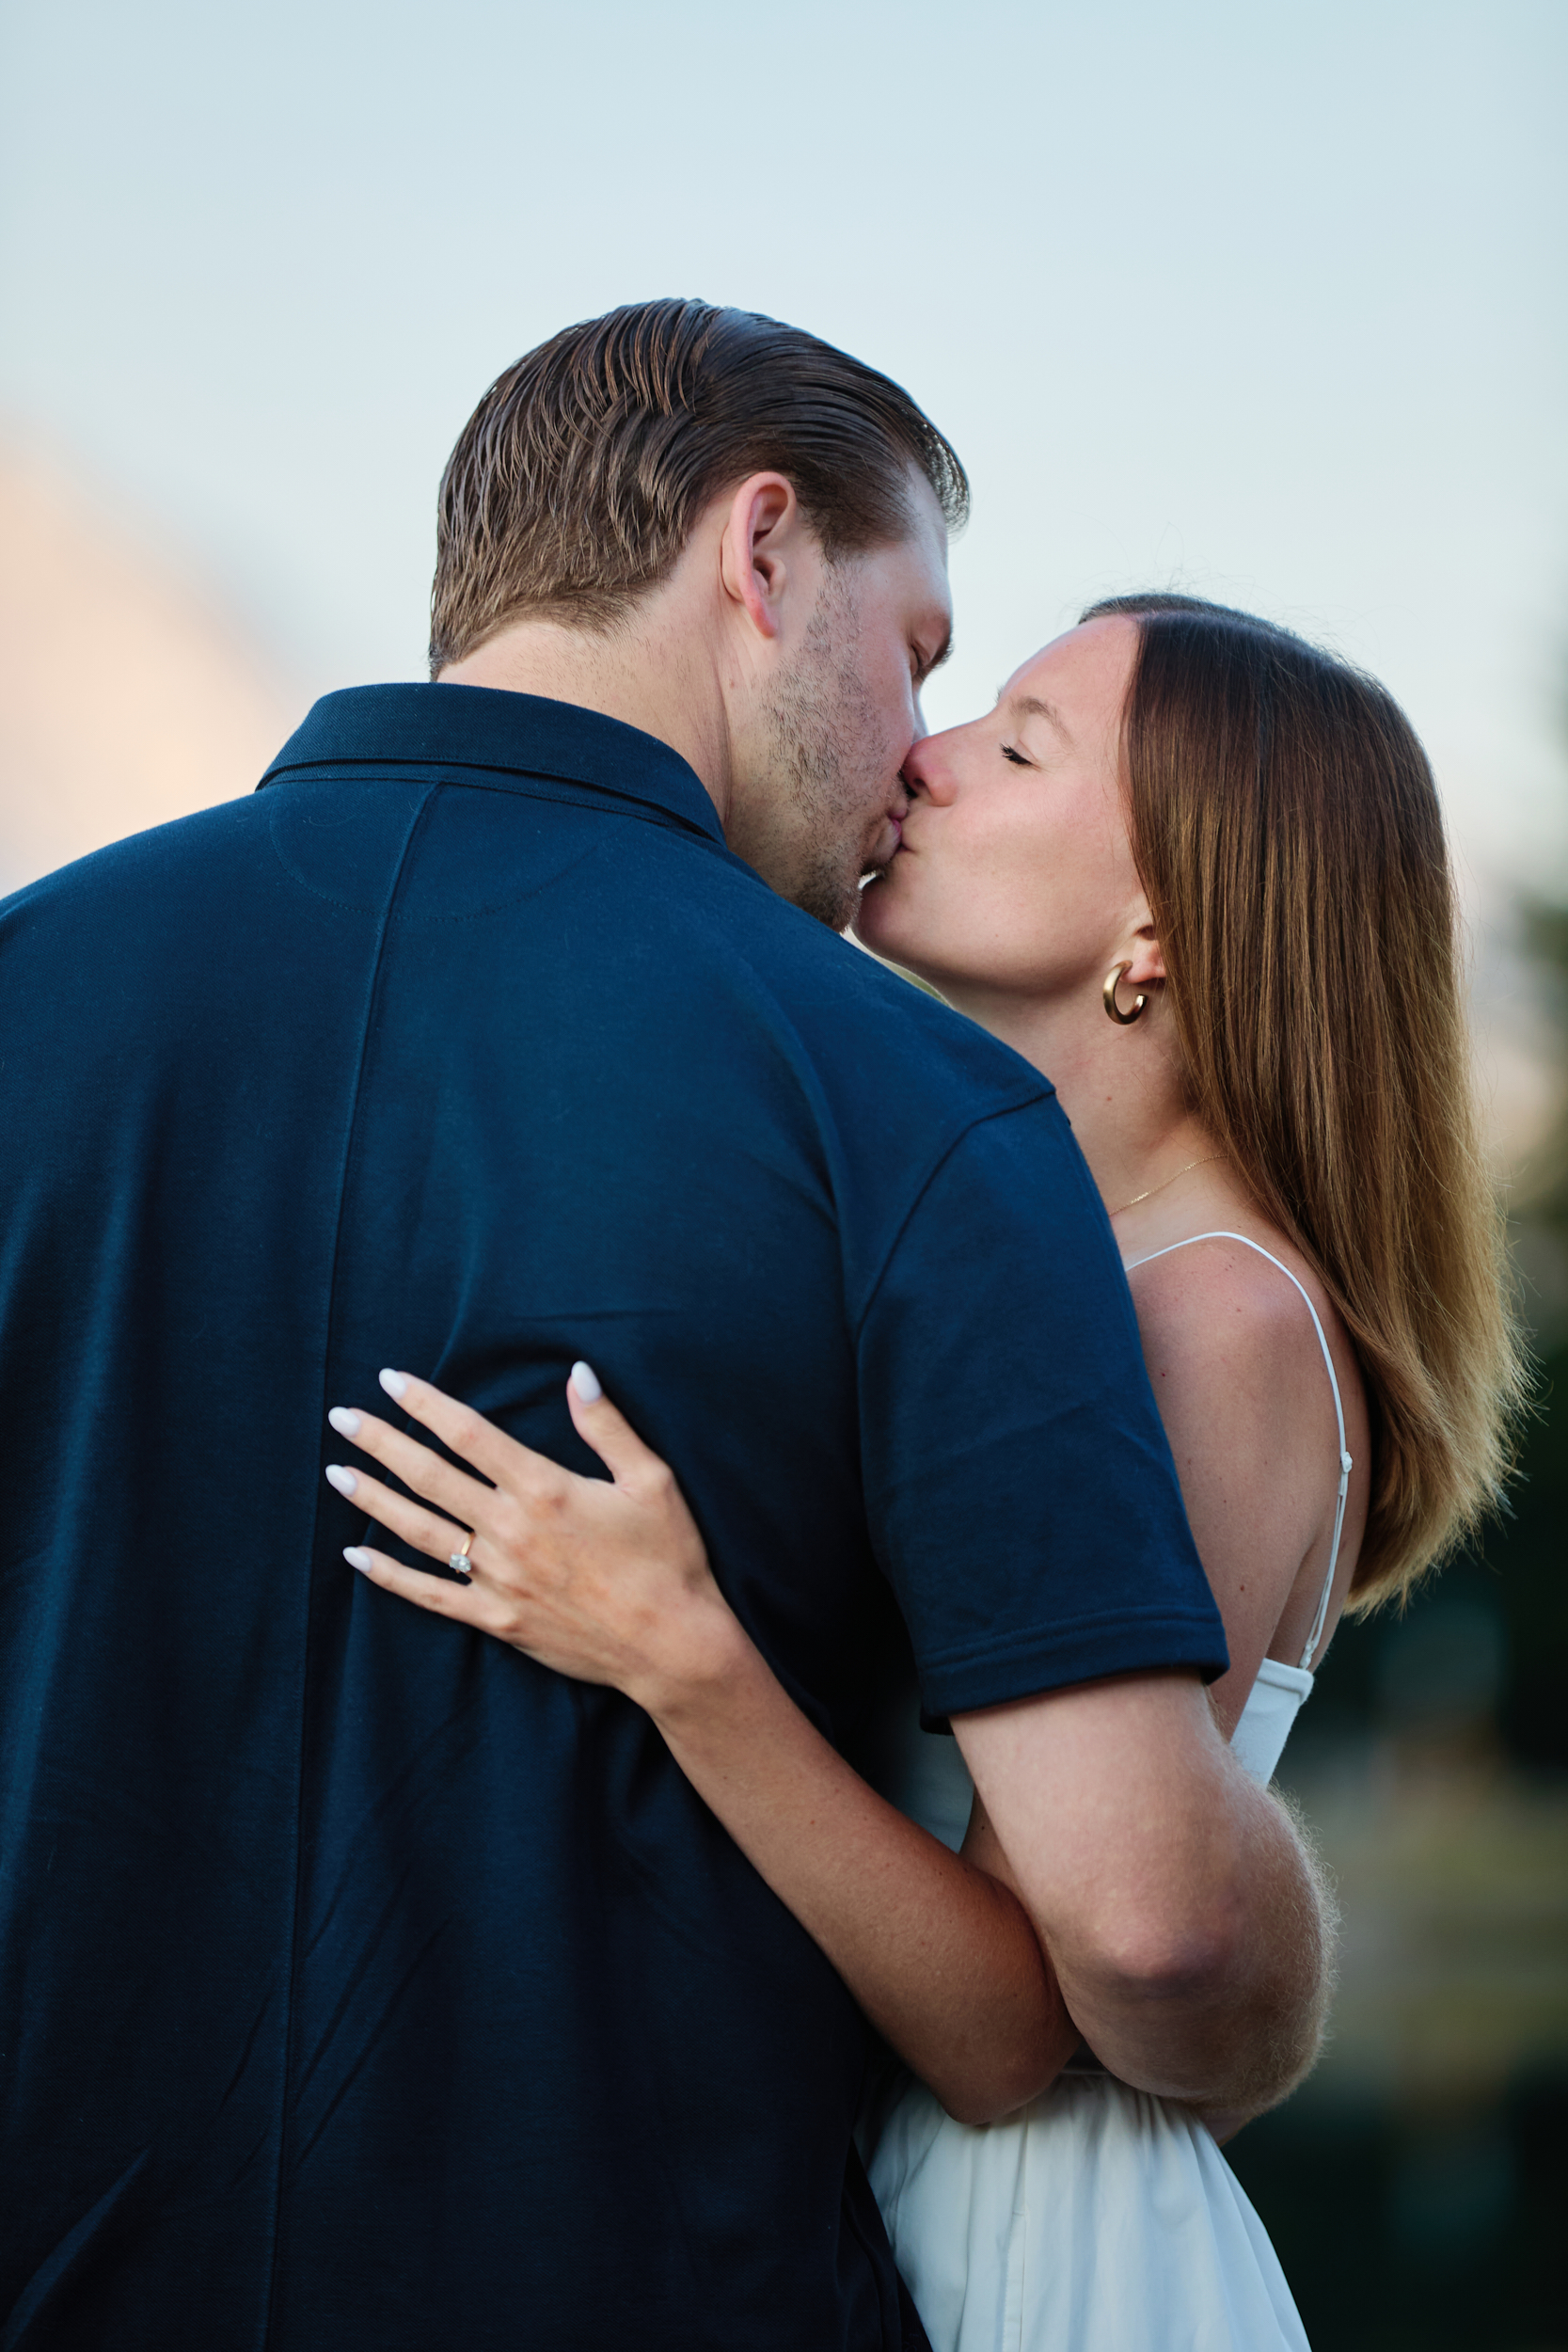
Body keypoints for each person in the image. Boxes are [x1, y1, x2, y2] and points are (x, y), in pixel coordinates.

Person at [0, 305, 1327, 2352]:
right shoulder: (915, 1112)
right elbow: (1131, 1939)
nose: (914, 748)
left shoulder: (32, 984)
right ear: (762, 551)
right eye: (919, 651)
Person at [325, 595, 1521, 2348]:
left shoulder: (1210, 1323)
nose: (921, 761)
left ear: (1162, 927)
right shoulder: (1090, 1271)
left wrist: (679, 1649)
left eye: (1016, 745)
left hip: (1032, 2250)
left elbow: (1006, 2027)